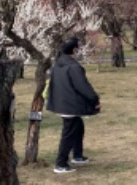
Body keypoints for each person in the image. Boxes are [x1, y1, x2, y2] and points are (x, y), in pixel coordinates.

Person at [46, 37, 101, 174]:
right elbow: (83, 86)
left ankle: (77, 155)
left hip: (61, 102)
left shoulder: (58, 63)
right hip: (70, 104)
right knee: (69, 132)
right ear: (74, 49)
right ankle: (61, 163)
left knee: (78, 127)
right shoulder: (73, 66)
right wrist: (94, 99)